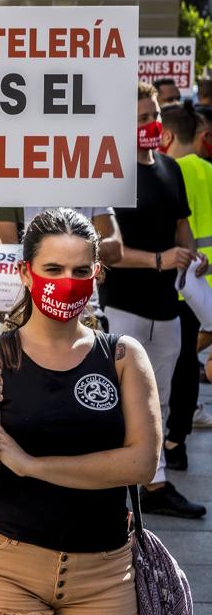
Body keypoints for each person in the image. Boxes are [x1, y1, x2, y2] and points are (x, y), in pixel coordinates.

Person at [0, 208, 161, 615]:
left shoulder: (123, 356)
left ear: (97, 274)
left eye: (80, 271)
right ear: (25, 273)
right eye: (52, 269)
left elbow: (141, 464)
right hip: (4, 568)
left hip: (103, 574)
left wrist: (34, 466)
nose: (67, 281)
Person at [100, 82, 207, 519]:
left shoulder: (170, 168)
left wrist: (190, 252)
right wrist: (159, 259)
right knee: (123, 398)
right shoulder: (112, 173)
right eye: (142, 118)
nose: (151, 124)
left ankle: (153, 481)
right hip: (124, 305)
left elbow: (181, 224)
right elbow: (110, 250)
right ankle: (124, 484)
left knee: (158, 399)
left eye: (154, 116)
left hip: (168, 305)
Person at [160, 101, 212, 468]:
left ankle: (167, 443)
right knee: (189, 365)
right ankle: (178, 440)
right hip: (203, 283)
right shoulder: (208, 171)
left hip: (175, 282)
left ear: (166, 135)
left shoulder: (167, 170)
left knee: (173, 365)